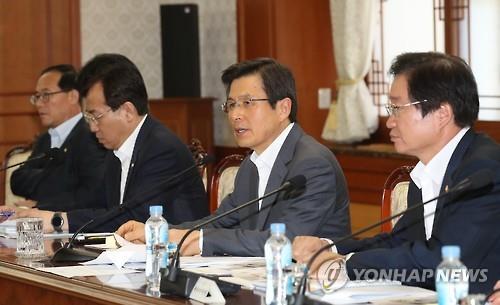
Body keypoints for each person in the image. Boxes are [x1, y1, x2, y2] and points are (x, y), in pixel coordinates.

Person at [292, 52, 500, 294]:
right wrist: (329, 248)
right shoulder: (426, 171)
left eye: (398, 108)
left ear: (442, 114)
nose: (390, 121)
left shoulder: (483, 172)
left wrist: (345, 266)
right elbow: (398, 240)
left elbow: (441, 262)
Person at [117, 58, 351, 257]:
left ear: (283, 108)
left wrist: (198, 241)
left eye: (247, 103)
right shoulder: (252, 163)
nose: (236, 115)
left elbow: (287, 241)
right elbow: (219, 221)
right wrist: (160, 233)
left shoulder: (312, 165)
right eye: (231, 105)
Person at [1, 54, 209, 233]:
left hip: (177, 264)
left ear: (127, 111)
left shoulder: (161, 149)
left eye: (95, 116)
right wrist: (34, 212)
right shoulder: (116, 150)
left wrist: (56, 220)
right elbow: (93, 201)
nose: (92, 128)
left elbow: (132, 219)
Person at [10, 64, 106, 211]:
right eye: (37, 97)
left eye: (46, 95)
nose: (39, 104)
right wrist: (63, 177)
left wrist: (40, 204)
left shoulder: (92, 135)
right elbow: (18, 180)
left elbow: (91, 194)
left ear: (73, 96)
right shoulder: (45, 139)